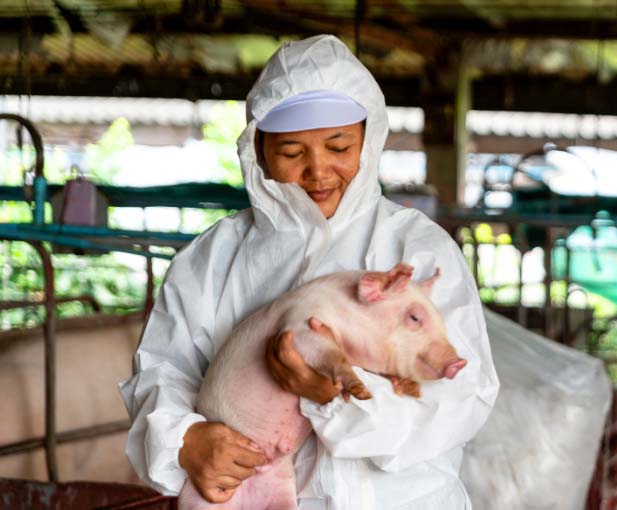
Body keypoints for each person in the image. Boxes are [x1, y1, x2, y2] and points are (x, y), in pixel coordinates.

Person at [118, 35, 499, 509]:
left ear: (368, 140)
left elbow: (461, 398)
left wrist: (332, 398)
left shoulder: (416, 248)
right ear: (258, 150)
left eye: (339, 146)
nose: (318, 170)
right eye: (292, 152)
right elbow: (162, 371)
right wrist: (186, 439)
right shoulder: (214, 257)